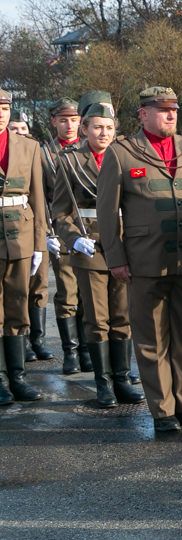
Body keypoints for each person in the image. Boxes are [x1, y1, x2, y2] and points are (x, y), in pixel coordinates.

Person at [96, 86, 182, 432]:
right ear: (143, 114)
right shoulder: (122, 153)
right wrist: (115, 258)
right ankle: (163, 411)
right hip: (144, 260)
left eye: (173, 109)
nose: (170, 115)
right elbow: (106, 212)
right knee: (151, 339)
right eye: (161, 110)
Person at [53, 103, 145, 409]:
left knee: (122, 316)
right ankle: (103, 383)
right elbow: (61, 212)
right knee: (97, 319)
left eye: (108, 127)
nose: (103, 133)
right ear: (84, 129)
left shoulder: (125, 156)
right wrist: (74, 239)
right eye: (96, 127)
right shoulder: (71, 162)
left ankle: (122, 378)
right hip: (90, 245)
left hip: (123, 244)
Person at [0, 88, 48, 405]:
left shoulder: (29, 147)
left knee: (18, 305)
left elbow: (38, 196)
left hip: (21, 233)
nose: (1, 112)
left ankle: (17, 376)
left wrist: (41, 243)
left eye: (5, 107)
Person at [41, 97, 92, 374]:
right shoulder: (44, 154)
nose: (69, 125)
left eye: (74, 120)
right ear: (54, 122)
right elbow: (41, 196)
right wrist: (47, 233)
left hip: (89, 231)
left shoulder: (88, 149)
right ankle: (71, 351)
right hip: (60, 231)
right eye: (63, 120)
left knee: (89, 294)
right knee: (68, 292)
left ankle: (88, 350)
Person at [9, 109, 54, 364]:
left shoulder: (37, 152)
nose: (19, 133)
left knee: (39, 286)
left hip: (39, 227)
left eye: (22, 129)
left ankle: (37, 340)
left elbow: (46, 194)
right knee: (17, 291)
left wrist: (47, 232)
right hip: (17, 228)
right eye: (14, 129)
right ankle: (22, 341)